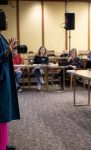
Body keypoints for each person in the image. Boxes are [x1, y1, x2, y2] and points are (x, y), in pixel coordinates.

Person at [0, 9, 20, 150]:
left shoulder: (1, 37)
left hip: (4, 81)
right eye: (5, 18)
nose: (7, 21)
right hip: (0, 83)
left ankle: (3, 144)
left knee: (4, 116)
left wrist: (9, 49)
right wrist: (8, 50)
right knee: (1, 115)